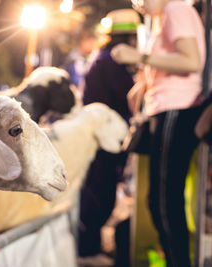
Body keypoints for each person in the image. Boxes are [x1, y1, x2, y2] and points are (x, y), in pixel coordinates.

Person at [111, 1, 205, 266]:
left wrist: (138, 57)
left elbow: (191, 61)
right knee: (161, 201)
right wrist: (145, 84)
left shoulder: (176, 9)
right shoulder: (163, 16)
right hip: (166, 110)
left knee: (164, 202)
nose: (137, 3)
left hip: (177, 109)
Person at [78, 9, 140, 266]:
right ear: (129, 38)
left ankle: (89, 246)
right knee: (99, 194)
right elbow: (128, 97)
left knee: (98, 191)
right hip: (104, 142)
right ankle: (88, 250)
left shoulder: (102, 59)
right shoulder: (111, 63)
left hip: (100, 139)